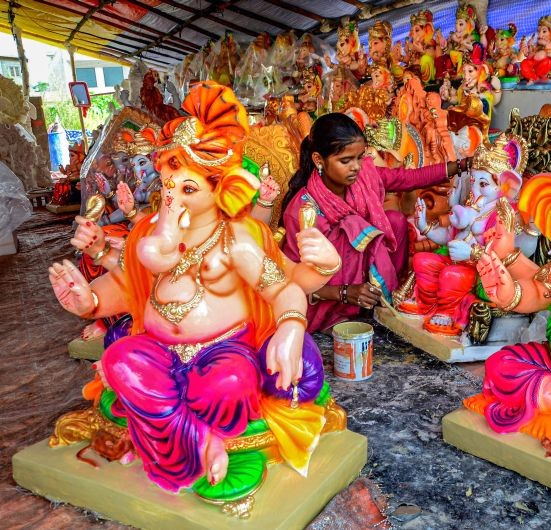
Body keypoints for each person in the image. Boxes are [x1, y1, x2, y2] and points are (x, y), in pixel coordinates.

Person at [49, 82, 339, 494]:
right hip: (160, 350)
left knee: (233, 381)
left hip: (223, 351)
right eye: (168, 185)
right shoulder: (149, 235)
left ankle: (199, 436)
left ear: (222, 189)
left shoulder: (235, 238)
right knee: (118, 359)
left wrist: (291, 328)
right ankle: (201, 441)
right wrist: (89, 300)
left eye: (188, 189)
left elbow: (281, 291)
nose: (173, 199)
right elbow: (127, 285)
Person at [281, 112, 470, 332]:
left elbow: (408, 179)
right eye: (346, 160)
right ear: (318, 160)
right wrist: (344, 292)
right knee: (352, 229)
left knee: (395, 221)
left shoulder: (364, 176)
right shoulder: (303, 210)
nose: (356, 167)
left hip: (360, 284)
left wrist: (461, 165)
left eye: (360, 157)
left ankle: (383, 296)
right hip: (322, 302)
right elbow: (290, 279)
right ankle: (346, 310)